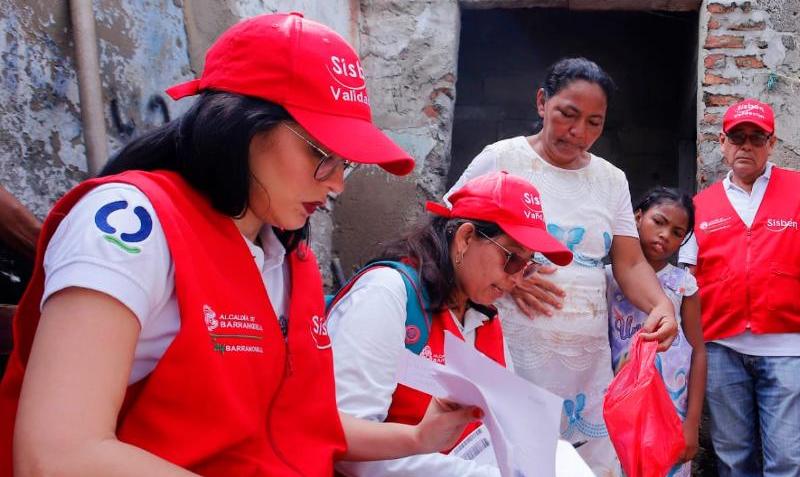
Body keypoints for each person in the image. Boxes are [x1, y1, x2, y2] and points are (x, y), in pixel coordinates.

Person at [0, 12, 481, 476]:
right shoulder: (133, 225)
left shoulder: (289, 258)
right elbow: (58, 456)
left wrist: (417, 438)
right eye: (321, 154)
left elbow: (294, 425)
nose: (337, 185)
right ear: (238, 125)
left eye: (345, 164)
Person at [448, 57, 678, 476]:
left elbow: (628, 263)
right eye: (568, 115)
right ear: (542, 102)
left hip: (586, 357)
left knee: (583, 464)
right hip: (513, 340)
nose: (579, 133)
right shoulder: (501, 159)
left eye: (594, 122)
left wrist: (661, 305)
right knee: (512, 458)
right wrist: (507, 276)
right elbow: (448, 228)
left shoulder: (611, 180)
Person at [327, 170, 572, 476]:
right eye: (513, 259)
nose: (517, 278)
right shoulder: (386, 295)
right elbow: (344, 446)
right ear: (465, 238)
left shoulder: (485, 320)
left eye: (529, 267)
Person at [679, 98, 800, 477]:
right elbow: (684, 280)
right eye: (737, 137)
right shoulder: (701, 205)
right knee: (733, 459)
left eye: (756, 137)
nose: (746, 145)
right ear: (723, 142)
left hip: (786, 346)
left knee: (790, 459)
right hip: (721, 347)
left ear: (771, 143)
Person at [606, 187, 705, 476]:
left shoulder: (683, 284)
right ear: (637, 217)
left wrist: (691, 424)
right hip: (618, 407)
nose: (665, 235)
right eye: (658, 222)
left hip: (670, 410)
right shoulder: (609, 278)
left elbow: (698, 351)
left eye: (677, 232)